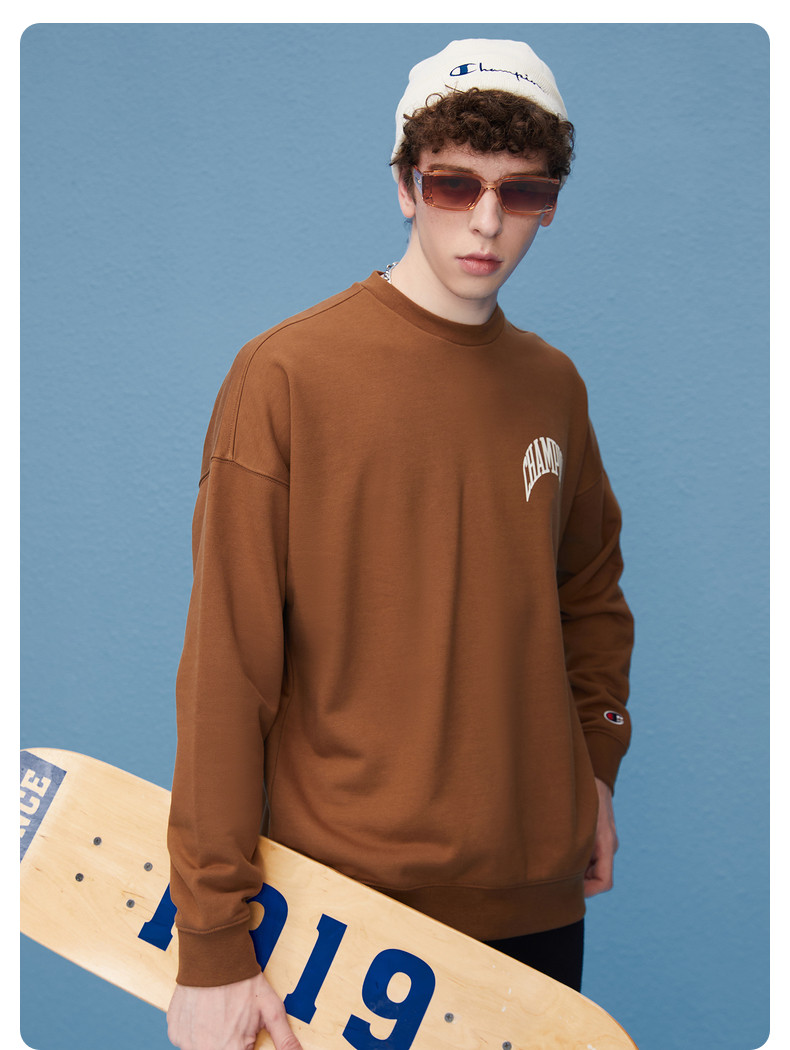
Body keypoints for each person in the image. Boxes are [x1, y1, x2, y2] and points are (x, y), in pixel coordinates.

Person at [166, 38, 634, 1050]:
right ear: (403, 185)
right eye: (454, 184)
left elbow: (589, 592)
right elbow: (226, 672)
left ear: (550, 202)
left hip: (536, 906)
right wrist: (211, 942)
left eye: (522, 193)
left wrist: (594, 768)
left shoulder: (553, 386)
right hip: (343, 913)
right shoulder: (286, 376)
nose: (486, 222)